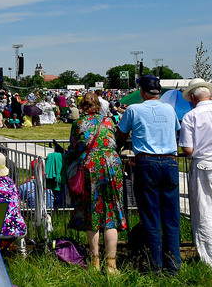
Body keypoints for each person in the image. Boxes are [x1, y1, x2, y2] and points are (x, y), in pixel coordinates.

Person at [116, 75, 180, 274]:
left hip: (147, 162)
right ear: (158, 92)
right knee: (171, 217)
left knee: (151, 217)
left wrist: (118, 149)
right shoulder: (169, 109)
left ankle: (155, 265)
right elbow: (175, 130)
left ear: (142, 92)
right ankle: (173, 266)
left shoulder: (134, 109)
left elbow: (121, 134)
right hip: (170, 162)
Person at [66, 91, 126, 274]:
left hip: (90, 166)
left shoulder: (78, 123)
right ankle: (112, 264)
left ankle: (94, 262)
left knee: (92, 213)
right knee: (111, 214)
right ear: (99, 106)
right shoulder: (109, 121)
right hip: (112, 165)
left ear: (83, 106)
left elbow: (74, 147)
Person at [179, 78, 212, 272]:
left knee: (203, 213)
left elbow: (188, 149)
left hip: (204, 164)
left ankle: (209, 263)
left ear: (193, 97)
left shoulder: (191, 116)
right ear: (211, 95)